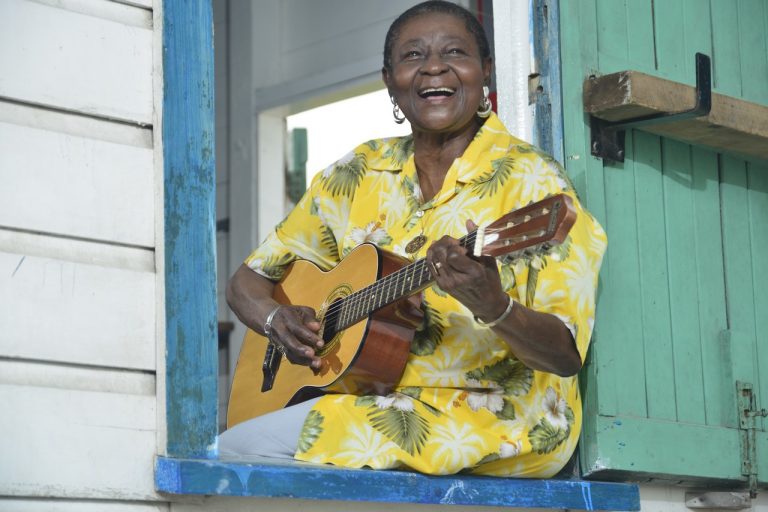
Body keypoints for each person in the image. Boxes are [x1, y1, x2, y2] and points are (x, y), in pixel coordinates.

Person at [221, 0, 607, 477]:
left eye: (455, 52)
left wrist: (493, 304)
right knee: (234, 446)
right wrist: (277, 317)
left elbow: (564, 355)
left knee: (239, 451)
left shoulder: (534, 183)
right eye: (413, 56)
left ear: (485, 70)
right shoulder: (358, 172)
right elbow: (246, 283)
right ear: (389, 81)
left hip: (496, 418)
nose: (434, 67)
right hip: (375, 404)